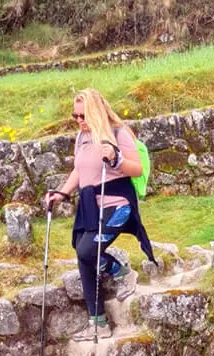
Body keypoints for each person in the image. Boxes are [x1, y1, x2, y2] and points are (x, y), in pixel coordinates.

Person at [43, 89, 158, 340]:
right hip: (91, 207)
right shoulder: (81, 138)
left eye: (83, 115)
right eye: (75, 116)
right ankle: (98, 323)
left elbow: (136, 169)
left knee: (87, 251)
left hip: (118, 205)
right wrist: (61, 194)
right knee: (83, 254)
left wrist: (116, 159)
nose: (79, 120)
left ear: (96, 112)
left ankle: (121, 271)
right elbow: (79, 170)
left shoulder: (118, 133)